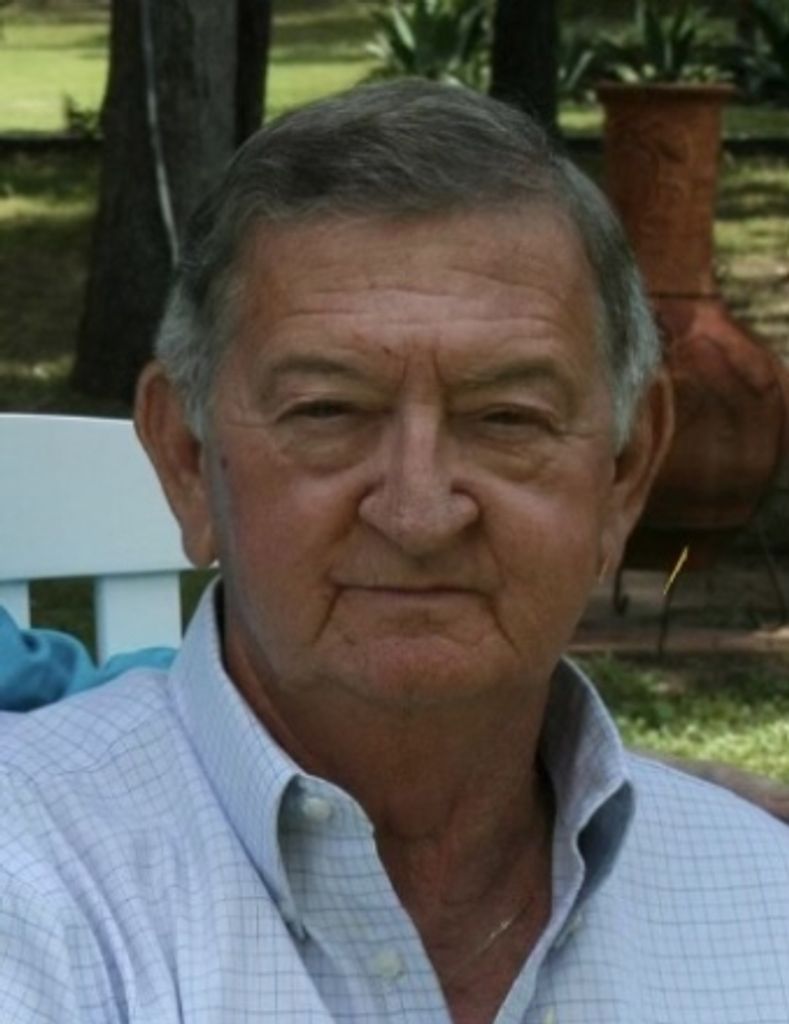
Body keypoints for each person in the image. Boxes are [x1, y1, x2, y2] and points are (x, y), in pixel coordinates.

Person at [0, 81, 786, 1024]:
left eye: (507, 418)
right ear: (186, 460)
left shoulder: (762, 899)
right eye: (328, 412)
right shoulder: (29, 886)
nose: (418, 514)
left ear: (623, 471)